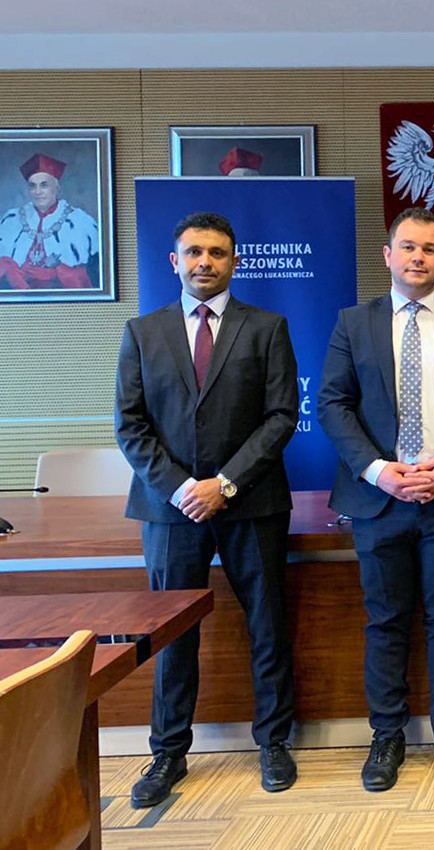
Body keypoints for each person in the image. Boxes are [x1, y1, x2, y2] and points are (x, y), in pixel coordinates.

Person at [317, 206, 434, 792]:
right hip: (380, 499)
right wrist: (379, 471)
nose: (418, 257)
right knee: (386, 621)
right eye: (408, 247)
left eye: (429, 248)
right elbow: (332, 403)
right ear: (389, 255)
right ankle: (387, 737)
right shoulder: (354, 323)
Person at [115, 211, 300, 807]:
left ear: (234, 262)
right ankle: (168, 753)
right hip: (170, 510)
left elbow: (281, 417)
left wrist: (224, 483)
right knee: (173, 635)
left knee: (267, 626)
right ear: (174, 261)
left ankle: (274, 742)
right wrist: (181, 488)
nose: (205, 262)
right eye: (194, 252)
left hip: (251, 503)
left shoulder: (266, 327)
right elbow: (130, 426)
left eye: (217, 253)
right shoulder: (142, 332)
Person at [0, 152, 99, 289]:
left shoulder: (79, 221)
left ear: (56, 188)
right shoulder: (12, 219)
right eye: (32, 186)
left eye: (44, 185)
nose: (37, 192)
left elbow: (91, 274)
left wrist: (58, 272)